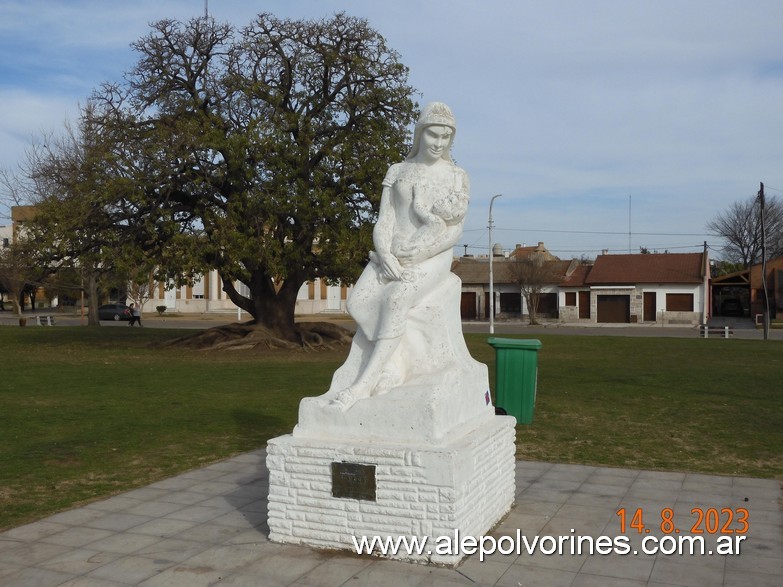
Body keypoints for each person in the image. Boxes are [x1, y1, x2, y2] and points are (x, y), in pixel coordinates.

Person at [331, 102, 469, 410]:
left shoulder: (457, 177)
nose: (439, 143)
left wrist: (420, 252)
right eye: (433, 135)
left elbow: (454, 231)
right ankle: (394, 359)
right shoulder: (398, 172)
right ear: (420, 134)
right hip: (391, 253)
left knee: (395, 300)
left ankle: (364, 383)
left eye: (446, 138)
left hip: (433, 255)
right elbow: (385, 220)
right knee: (357, 303)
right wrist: (384, 251)